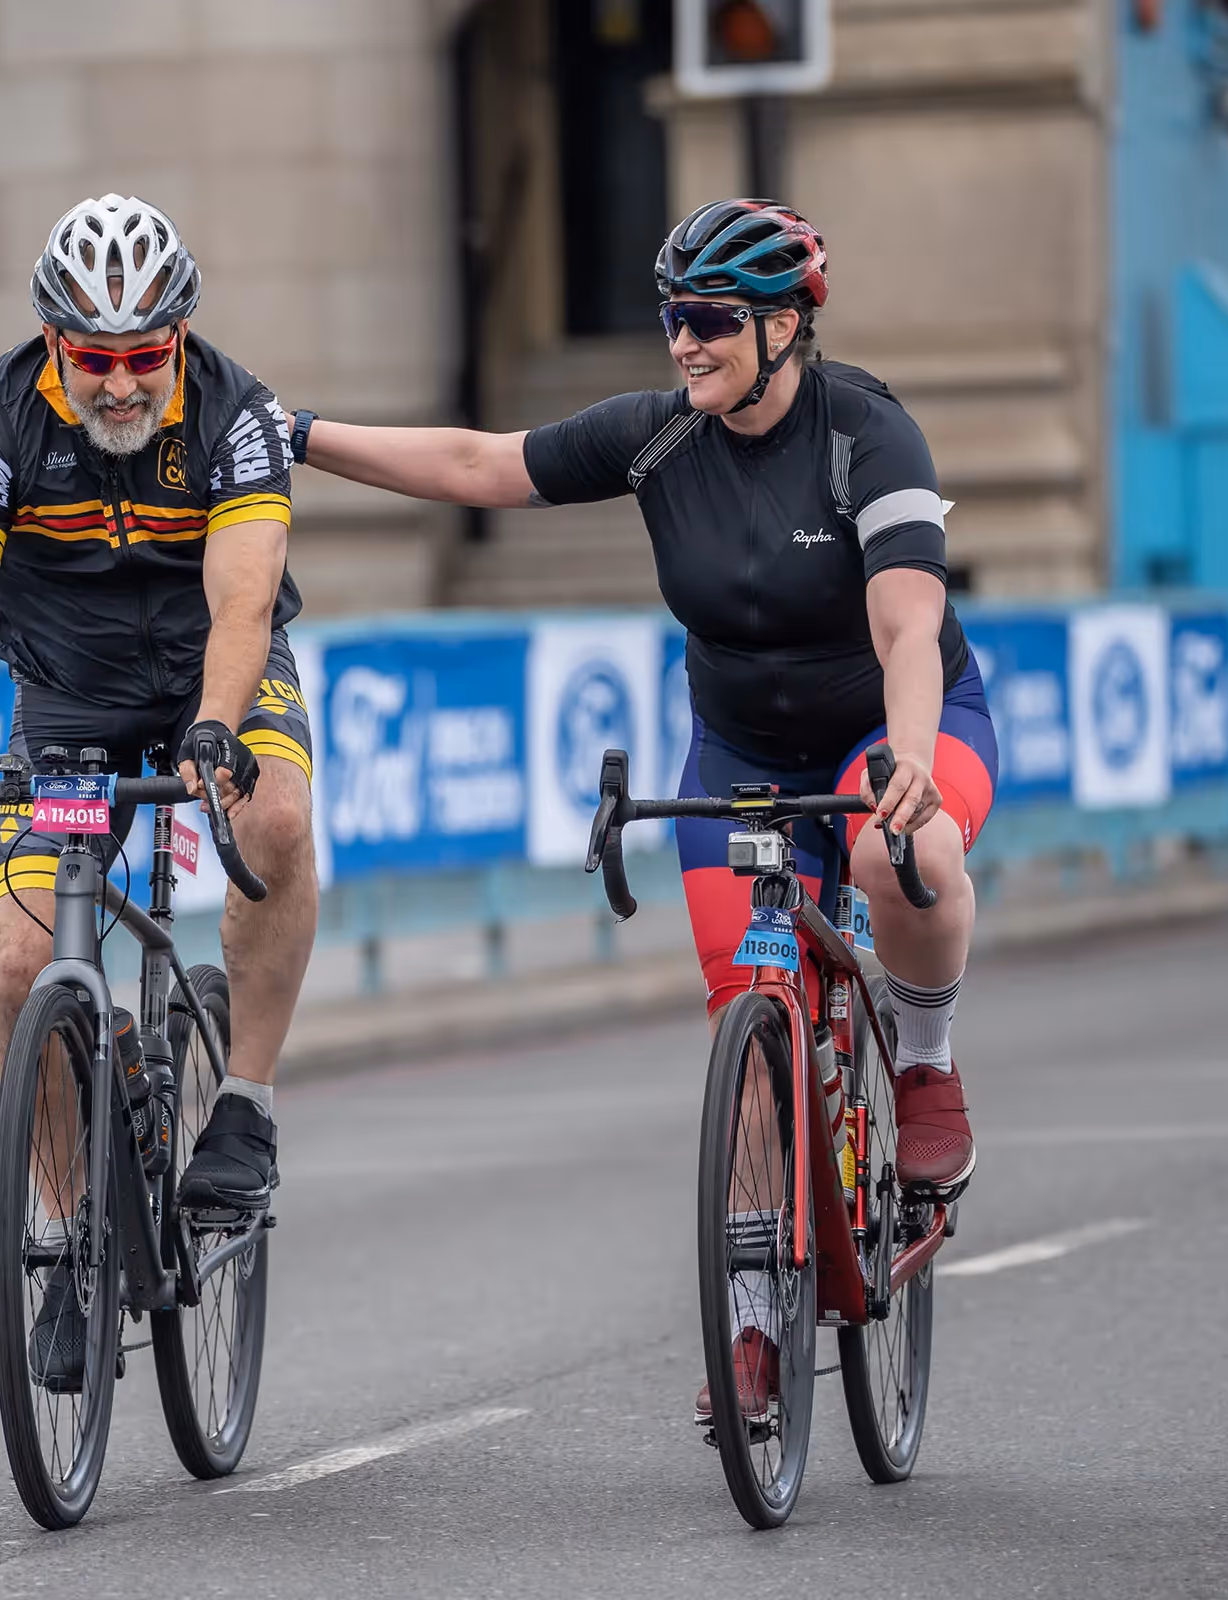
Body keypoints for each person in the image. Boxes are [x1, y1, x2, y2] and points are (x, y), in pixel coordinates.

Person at [287, 199, 995, 1425]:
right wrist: (295, 435)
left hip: (893, 725)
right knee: (755, 1024)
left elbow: (907, 625)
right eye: (675, 318)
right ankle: (758, 1323)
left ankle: (924, 1068)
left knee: (903, 850)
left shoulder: (869, 434)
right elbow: (477, 464)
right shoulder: (658, 438)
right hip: (738, 751)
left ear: (786, 325)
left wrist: (914, 756)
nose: (686, 343)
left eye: (713, 320)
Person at [0, 194, 317, 1386]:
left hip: (215, 677)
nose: (119, 383)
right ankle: (65, 1234)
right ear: (53, 341)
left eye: (144, 357)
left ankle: (246, 1101)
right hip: (67, 705)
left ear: (180, 338)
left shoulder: (239, 413)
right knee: (21, 968)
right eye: (92, 358)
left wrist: (215, 729)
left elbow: (243, 602)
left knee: (274, 815)